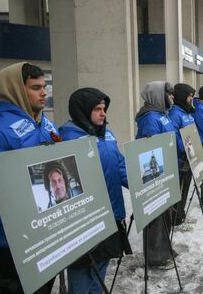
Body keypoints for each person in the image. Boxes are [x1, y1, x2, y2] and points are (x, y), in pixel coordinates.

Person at [0, 62, 58, 293]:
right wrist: (20, 228)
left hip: (46, 229)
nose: (44, 93)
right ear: (16, 90)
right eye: (35, 87)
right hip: (14, 241)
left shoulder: (45, 122)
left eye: (44, 86)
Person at [60, 87, 132, 294]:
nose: (103, 113)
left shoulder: (107, 134)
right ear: (82, 111)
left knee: (102, 265)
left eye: (104, 108)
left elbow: (120, 165)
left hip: (111, 213)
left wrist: (142, 184)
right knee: (83, 271)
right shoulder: (68, 138)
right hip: (86, 221)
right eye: (97, 109)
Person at [135, 81, 180, 268]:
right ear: (158, 96)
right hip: (157, 175)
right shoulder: (150, 118)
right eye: (169, 94)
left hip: (169, 170)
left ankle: (164, 248)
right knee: (156, 215)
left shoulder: (162, 115)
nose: (172, 97)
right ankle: (155, 257)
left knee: (166, 215)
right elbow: (150, 148)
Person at [167, 83, 196, 225]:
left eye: (192, 96)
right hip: (180, 158)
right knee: (178, 188)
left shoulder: (187, 112)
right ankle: (175, 216)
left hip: (190, 156)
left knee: (185, 187)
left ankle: (180, 212)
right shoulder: (174, 114)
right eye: (189, 96)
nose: (191, 99)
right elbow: (172, 135)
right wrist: (183, 147)